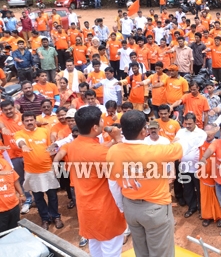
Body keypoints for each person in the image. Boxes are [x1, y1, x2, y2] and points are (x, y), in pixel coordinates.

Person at [106, 110, 183, 257]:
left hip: (130, 207)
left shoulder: (113, 151)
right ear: (143, 131)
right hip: (155, 209)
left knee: (141, 251)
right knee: (161, 253)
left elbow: (113, 184)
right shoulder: (157, 150)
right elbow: (180, 147)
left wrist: (122, 206)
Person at [63, 106, 127, 257]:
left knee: (95, 246)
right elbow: (122, 163)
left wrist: (111, 142)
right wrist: (118, 140)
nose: (104, 121)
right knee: (110, 250)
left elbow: (95, 151)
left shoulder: (73, 146)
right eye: (101, 120)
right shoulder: (101, 153)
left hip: (87, 209)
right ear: (95, 127)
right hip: (105, 211)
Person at [14, 111, 62, 230]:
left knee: (52, 196)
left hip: (47, 170)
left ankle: (56, 216)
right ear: (23, 122)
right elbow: (19, 141)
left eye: (31, 120)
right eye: (27, 120)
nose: (29, 122)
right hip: (32, 172)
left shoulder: (44, 131)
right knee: (39, 198)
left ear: (35, 121)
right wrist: (23, 146)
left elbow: (50, 149)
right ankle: (45, 219)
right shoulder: (19, 134)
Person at [172, 113, 207, 218]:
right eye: (186, 123)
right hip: (184, 167)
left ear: (195, 122)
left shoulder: (201, 133)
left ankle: (202, 209)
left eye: (190, 124)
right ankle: (192, 207)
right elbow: (175, 143)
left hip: (197, 168)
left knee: (200, 189)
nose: (187, 125)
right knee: (187, 189)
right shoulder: (181, 132)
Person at [198, 124, 221, 228]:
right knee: (205, 198)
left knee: (218, 198)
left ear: (214, 133)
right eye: (206, 133)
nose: (208, 135)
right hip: (204, 176)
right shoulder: (200, 144)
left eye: (210, 133)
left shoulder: (219, 144)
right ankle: (207, 217)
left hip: (217, 177)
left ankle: (220, 217)